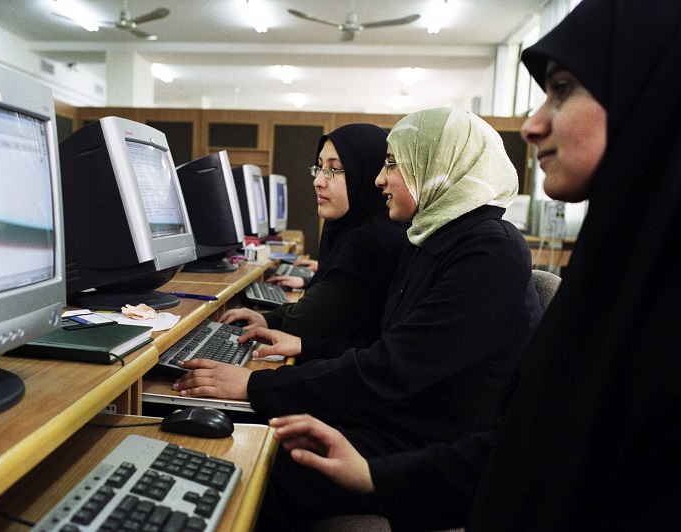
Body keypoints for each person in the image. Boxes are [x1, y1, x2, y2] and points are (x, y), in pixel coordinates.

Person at [271, 1, 681, 529]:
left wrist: (265, 388)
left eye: (561, 89)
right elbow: (521, 450)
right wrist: (374, 477)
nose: (531, 126)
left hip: (420, 435)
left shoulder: (487, 249)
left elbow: (399, 370)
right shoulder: (617, 276)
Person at [175, 107, 543, 528]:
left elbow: (391, 368)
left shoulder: (487, 251)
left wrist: (255, 385)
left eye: (392, 164)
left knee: (255, 464)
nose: (379, 179)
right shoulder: (432, 238)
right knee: (254, 435)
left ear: (437, 168)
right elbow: (389, 347)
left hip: (429, 452)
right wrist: (306, 348)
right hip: (400, 420)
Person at [220, 124, 408, 353]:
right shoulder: (360, 227)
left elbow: (309, 323)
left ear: (366, 173)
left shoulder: (372, 240)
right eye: (319, 168)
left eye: (334, 169)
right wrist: (269, 319)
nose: (318, 181)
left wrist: (270, 320)